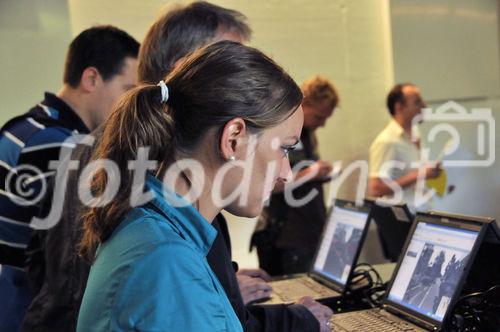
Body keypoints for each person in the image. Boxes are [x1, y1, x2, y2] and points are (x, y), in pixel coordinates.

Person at [24, 2, 327, 331]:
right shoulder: (167, 259)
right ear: (234, 137)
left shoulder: (156, 226)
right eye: (283, 148)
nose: (286, 174)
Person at [0, 26, 139, 331]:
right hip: (20, 306)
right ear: (91, 78)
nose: (130, 105)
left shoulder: (24, 127)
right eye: (128, 91)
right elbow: (70, 259)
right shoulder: (65, 146)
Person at [252, 76, 339, 276]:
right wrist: (311, 173)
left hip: (307, 233)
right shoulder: (279, 132)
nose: (322, 124)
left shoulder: (307, 134)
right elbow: (269, 184)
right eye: (319, 117)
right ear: (303, 104)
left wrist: (319, 175)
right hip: (288, 238)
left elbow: (298, 176)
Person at [368, 83, 441, 212]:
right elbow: (376, 189)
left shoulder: (415, 134)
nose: (424, 106)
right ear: (399, 107)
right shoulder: (386, 141)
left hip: (421, 214)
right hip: (402, 222)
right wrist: (419, 174)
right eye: (417, 102)